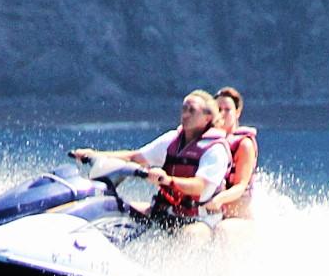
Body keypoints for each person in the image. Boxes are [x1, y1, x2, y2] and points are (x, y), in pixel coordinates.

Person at [72, 90, 232, 238]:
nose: (185, 114)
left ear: (207, 117)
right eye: (184, 108)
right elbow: (135, 157)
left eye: (192, 110)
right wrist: (93, 154)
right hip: (164, 211)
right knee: (113, 212)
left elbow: (200, 186)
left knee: (190, 236)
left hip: (200, 219)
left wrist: (167, 180)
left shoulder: (215, 149)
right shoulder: (172, 140)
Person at [205, 85, 258, 224]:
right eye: (218, 110)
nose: (222, 114)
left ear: (237, 112)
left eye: (227, 110)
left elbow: (241, 186)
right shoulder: (207, 142)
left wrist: (218, 200)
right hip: (210, 213)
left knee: (223, 231)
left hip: (237, 215)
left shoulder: (244, 144)